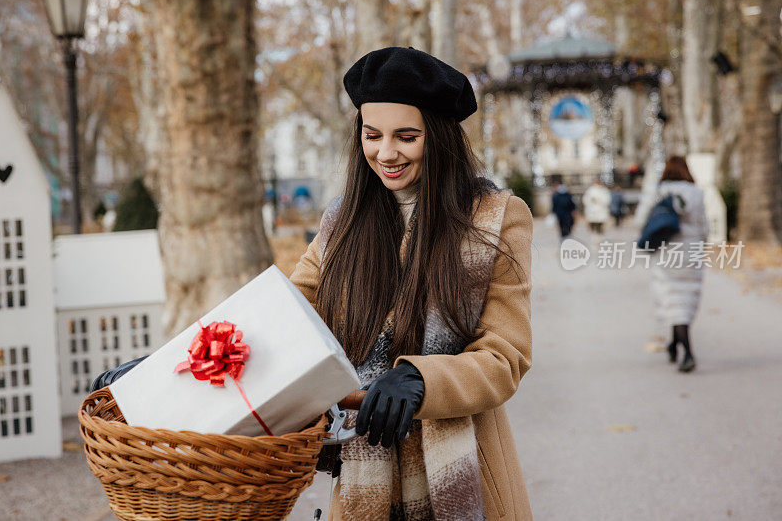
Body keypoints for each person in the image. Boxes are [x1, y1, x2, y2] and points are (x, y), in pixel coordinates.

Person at [91, 46, 534, 520]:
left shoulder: (496, 219)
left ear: (440, 137)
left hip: (464, 471)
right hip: (367, 476)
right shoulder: (341, 223)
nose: (386, 153)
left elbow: (505, 355)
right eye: (372, 135)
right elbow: (281, 316)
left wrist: (420, 379)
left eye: (407, 136)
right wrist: (168, 367)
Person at [650, 156, 707, 373]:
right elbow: (703, 227)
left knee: (673, 299)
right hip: (691, 252)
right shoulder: (697, 193)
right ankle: (675, 345)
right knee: (685, 298)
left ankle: (687, 352)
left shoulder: (659, 191)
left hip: (666, 251)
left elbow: (642, 220)